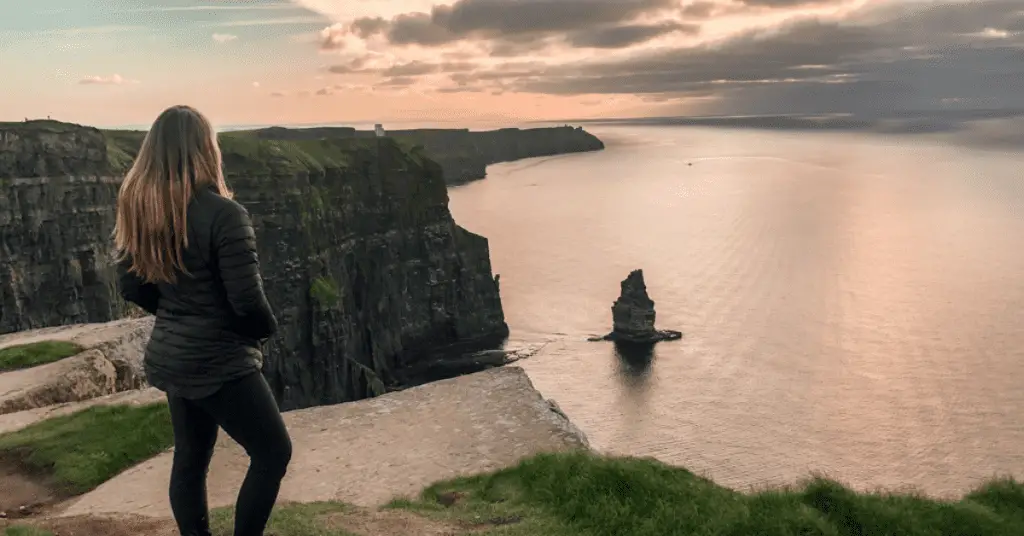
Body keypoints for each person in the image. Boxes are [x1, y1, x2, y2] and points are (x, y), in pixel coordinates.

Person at [114, 105, 291, 536]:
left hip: (173, 354)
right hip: (217, 359)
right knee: (272, 452)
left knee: (191, 458)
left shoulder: (142, 208)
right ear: (204, 149)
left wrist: (179, 316)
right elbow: (247, 302)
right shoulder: (224, 214)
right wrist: (265, 333)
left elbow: (132, 287)